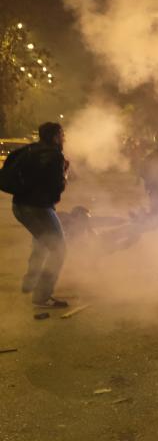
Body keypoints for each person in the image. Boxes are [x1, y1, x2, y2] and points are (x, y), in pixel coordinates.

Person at [8, 122, 70, 308]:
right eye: (62, 134)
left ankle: (29, 282)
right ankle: (41, 296)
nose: (64, 138)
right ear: (54, 137)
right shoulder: (54, 156)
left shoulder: (30, 150)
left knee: (42, 241)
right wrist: (65, 172)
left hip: (19, 206)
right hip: (39, 208)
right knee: (59, 249)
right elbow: (57, 187)